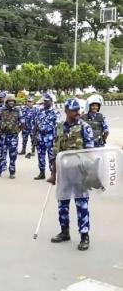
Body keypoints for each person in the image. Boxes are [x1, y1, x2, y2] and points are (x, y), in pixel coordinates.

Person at [47, 99, 94, 251]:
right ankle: (64, 231)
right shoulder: (59, 127)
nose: (77, 113)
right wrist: (53, 173)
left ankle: (84, 236)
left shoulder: (84, 127)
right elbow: (55, 152)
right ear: (66, 111)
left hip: (80, 173)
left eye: (78, 110)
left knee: (82, 205)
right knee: (63, 203)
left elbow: (90, 152)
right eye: (74, 111)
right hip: (64, 172)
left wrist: (89, 174)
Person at [0, 94, 24, 179]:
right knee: (1, 155)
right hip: (3, 135)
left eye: (12, 101)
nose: (11, 103)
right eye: (9, 101)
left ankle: (12, 172)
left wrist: (17, 131)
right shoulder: (2, 110)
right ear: (6, 102)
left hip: (13, 136)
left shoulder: (18, 111)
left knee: (13, 155)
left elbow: (22, 122)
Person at [34, 94, 61, 180]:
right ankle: (41, 173)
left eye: (47, 101)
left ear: (51, 102)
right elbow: (36, 124)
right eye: (44, 101)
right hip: (40, 137)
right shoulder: (40, 111)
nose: (45, 103)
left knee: (52, 157)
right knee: (40, 155)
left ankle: (53, 174)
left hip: (51, 137)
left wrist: (57, 139)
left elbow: (58, 126)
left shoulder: (56, 112)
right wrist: (34, 136)